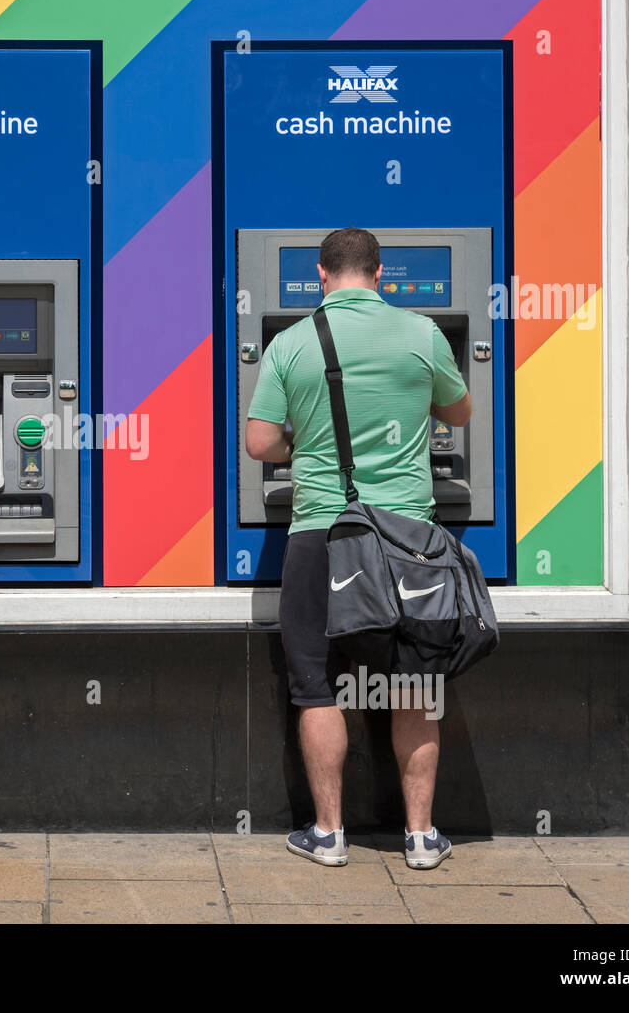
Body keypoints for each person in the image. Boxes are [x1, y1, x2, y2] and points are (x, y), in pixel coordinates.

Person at [245, 227, 471, 870]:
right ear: (380, 274)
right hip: (407, 540)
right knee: (415, 683)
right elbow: (460, 416)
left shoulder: (291, 343)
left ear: (320, 274)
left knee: (315, 683)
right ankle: (422, 837)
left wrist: (307, 446)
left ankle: (328, 833)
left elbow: (261, 445)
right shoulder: (424, 333)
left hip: (321, 529)